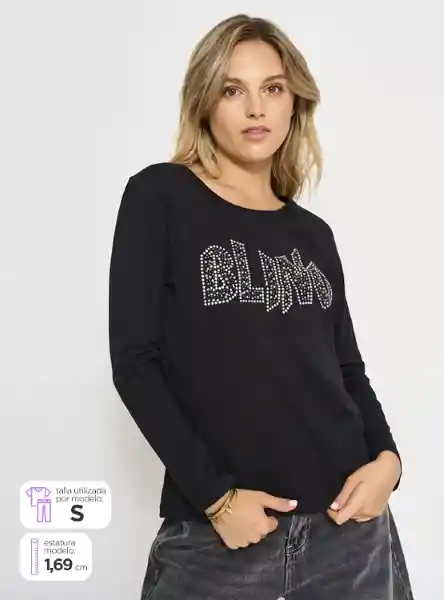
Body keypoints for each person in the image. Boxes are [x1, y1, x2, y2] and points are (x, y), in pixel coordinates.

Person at [108, 13, 415, 600]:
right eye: (233, 90)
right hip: (220, 537)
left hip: (349, 532)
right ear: (205, 102)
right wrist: (216, 499)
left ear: (294, 102)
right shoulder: (160, 197)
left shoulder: (313, 235)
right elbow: (135, 363)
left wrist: (389, 463)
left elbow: (347, 370)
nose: (256, 109)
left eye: (272, 88)